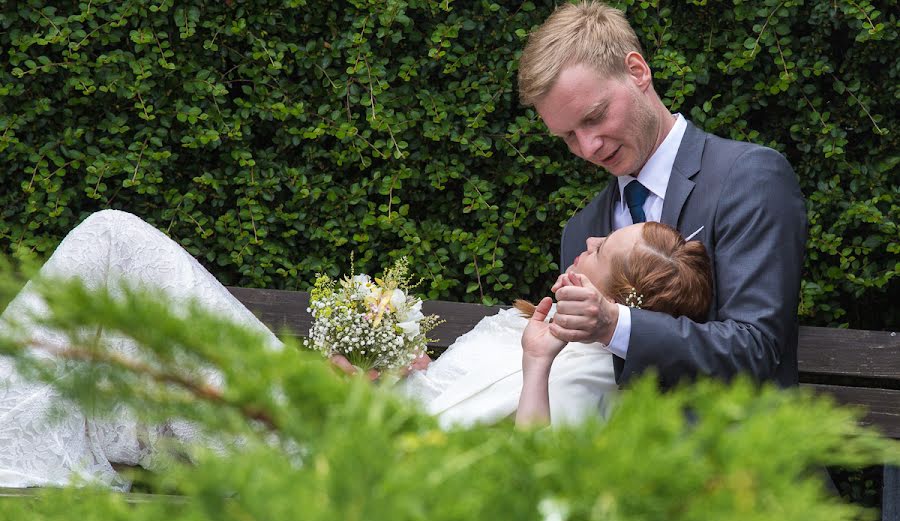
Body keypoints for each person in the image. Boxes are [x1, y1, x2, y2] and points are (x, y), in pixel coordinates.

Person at [0, 211, 710, 488]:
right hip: (321, 416)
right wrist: (380, 381)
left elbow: (536, 484)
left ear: (618, 302)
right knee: (112, 245)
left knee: (116, 239)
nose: (582, 246)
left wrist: (537, 362)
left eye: (599, 254)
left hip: (321, 457)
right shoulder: (522, 321)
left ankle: (17, 452)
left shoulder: (582, 371)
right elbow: (425, 406)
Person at [517, 1, 807, 388]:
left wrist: (615, 324)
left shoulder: (748, 178)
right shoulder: (581, 229)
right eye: (569, 135)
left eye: (594, 116)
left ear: (637, 71)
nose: (588, 148)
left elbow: (755, 347)